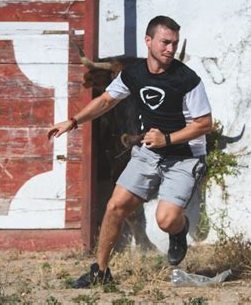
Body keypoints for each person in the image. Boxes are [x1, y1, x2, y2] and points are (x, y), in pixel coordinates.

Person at [47, 15, 212, 288]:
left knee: (166, 219)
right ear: (148, 41)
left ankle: (178, 230)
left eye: (174, 43)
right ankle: (100, 272)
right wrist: (74, 121)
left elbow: (205, 124)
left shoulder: (186, 79)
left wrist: (167, 139)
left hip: (185, 155)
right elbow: (106, 100)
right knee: (115, 207)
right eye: (164, 42)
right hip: (151, 151)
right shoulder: (133, 74)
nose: (170, 49)